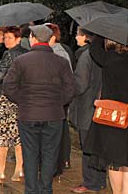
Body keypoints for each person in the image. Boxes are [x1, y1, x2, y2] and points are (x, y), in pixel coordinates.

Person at [4, 24, 76, 194]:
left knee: (30, 155)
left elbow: (8, 87)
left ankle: (31, 190)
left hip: (28, 114)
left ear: (33, 39)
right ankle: (46, 189)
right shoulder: (61, 62)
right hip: (53, 115)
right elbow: (71, 88)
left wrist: (22, 101)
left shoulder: (21, 61)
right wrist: (59, 103)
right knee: (50, 154)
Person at [83, 36, 128, 194]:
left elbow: (94, 50)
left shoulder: (109, 59)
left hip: (111, 119)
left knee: (114, 161)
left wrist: (99, 34)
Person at [0, 27, 28, 184]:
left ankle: (1, 172)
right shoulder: (27, 53)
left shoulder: (8, 55)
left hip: (5, 100)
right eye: (4, 37)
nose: (6, 40)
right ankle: (19, 169)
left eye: (9, 38)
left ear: (18, 39)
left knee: (2, 137)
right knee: (19, 136)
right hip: (22, 99)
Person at [69, 32, 106, 193]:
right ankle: (100, 180)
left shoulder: (86, 56)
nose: (76, 37)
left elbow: (80, 83)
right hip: (102, 107)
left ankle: (90, 183)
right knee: (99, 147)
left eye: (78, 34)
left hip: (87, 107)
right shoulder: (107, 55)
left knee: (88, 147)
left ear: (86, 37)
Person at [46, 23, 73, 173]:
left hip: (57, 99)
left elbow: (64, 79)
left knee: (59, 133)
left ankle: (60, 162)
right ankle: (63, 160)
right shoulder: (58, 51)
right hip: (58, 99)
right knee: (61, 131)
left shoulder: (58, 53)